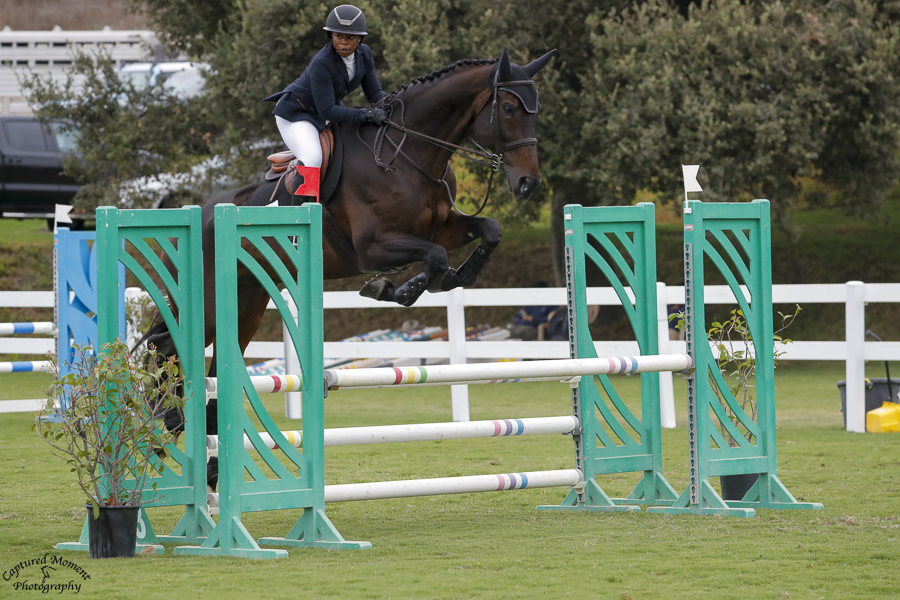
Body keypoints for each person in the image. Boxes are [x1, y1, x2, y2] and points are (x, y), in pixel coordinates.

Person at [263, 5, 388, 169]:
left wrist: (390, 106)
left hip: (326, 110)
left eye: (350, 37)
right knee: (313, 160)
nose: (343, 42)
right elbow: (327, 110)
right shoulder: (322, 63)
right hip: (297, 113)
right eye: (338, 36)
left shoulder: (365, 54)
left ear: (360, 39)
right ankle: (304, 196)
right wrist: (367, 114)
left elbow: (374, 93)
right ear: (331, 36)